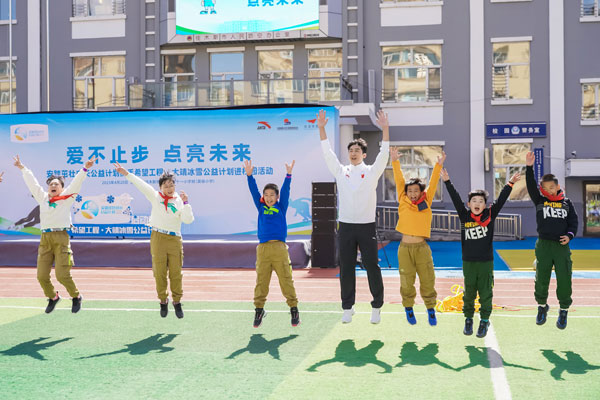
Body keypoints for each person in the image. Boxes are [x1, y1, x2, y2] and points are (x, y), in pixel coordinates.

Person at [318, 109, 390, 324]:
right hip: (346, 226)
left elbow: (384, 154)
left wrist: (385, 128)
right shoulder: (341, 171)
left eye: (357, 150)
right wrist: (321, 128)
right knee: (347, 267)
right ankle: (347, 307)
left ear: (364, 154)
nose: (353, 152)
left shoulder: (372, 171)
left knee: (372, 266)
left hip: (366, 226)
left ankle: (376, 306)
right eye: (351, 150)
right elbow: (328, 154)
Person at [442, 167, 521, 337]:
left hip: (485, 262)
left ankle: (484, 320)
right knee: (469, 293)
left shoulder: (489, 216)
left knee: (486, 293)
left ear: (485, 205)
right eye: (474, 201)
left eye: (480, 201)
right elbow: (455, 198)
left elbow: (501, 200)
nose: (477, 203)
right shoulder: (464, 216)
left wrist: (510, 183)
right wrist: (447, 181)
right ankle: (468, 319)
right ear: (468, 204)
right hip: (469, 262)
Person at [13, 155, 96, 314]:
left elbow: (76, 183)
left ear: (62, 188)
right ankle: (53, 297)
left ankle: (76, 296)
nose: (53, 185)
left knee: (62, 275)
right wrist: (22, 168)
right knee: (41, 276)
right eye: (51, 184)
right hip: (45, 239)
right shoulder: (43, 198)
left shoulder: (67, 198)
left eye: (56, 184)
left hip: (61, 238)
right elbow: (33, 183)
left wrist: (85, 168)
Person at [114, 164, 194, 319]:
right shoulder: (155, 197)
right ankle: (163, 300)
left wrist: (186, 204)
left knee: (176, 272)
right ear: (160, 187)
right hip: (158, 237)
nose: (169, 188)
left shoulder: (179, 201)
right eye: (166, 186)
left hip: (174, 239)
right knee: (159, 272)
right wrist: (126, 173)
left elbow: (188, 219)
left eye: (171, 185)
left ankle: (177, 301)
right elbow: (141, 185)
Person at [391, 147, 445, 326]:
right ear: (406, 192)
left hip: (422, 248)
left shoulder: (426, 201)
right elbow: (399, 179)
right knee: (406, 280)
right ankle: (408, 307)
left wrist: (438, 165)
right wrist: (395, 161)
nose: (413, 194)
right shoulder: (402, 199)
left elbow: (434, 182)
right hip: (404, 249)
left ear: (421, 192)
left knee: (427, 279)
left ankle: (430, 309)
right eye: (410, 191)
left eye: (416, 191)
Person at [525, 151, 578, 330]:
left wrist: (569, 235)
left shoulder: (567, 203)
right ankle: (542, 306)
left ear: (557, 186)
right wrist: (529, 167)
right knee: (542, 278)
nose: (549, 190)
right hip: (544, 245)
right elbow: (530, 185)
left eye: (551, 187)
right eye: (545, 188)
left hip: (561, 246)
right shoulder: (540, 200)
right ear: (542, 190)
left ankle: (563, 310)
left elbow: (573, 222)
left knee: (564, 278)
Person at [244, 159, 300, 328]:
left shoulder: (281, 207)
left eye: (272, 195)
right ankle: (259, 310)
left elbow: (286, 191)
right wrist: (249, 176)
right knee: (261, 281)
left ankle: (294, 309)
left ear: (277, 197)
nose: (269, 198)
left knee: (286, 280)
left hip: (280, 249)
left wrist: (288, 175)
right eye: (266, 195)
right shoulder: (260, 207)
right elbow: (253, 191)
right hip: (263, 249)